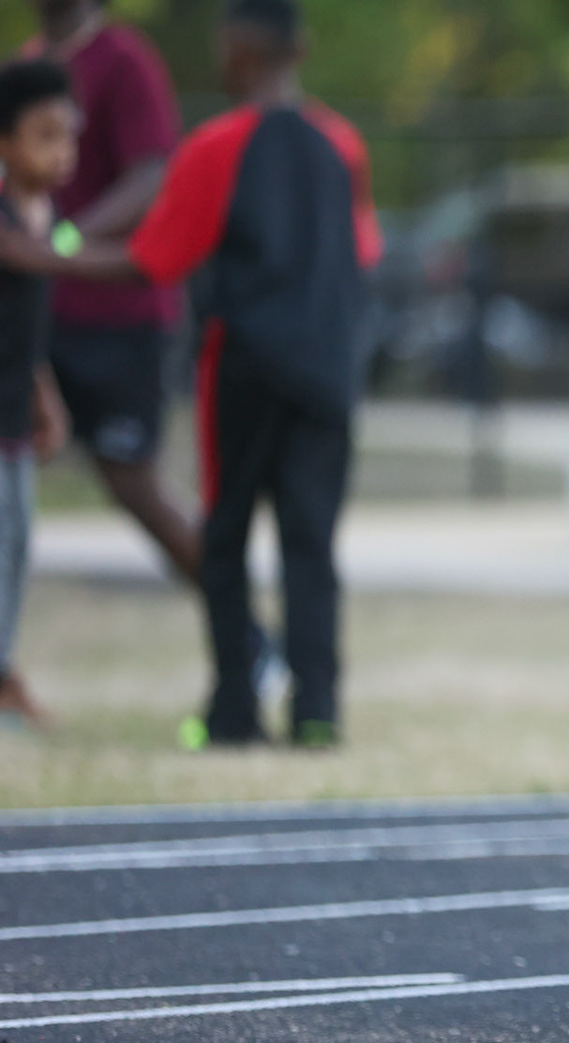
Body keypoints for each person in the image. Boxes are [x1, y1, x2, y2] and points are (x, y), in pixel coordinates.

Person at [0, 0, 380, 747]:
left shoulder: (217, 145)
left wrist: (46, 254)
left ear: (236, 49)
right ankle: (317, 712)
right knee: (312, 542)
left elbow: (155, 259)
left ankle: (234, 710)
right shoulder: (343, 142)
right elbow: (363, 252)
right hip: (330, 371)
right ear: (299, 50)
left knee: (230, 534)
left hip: (245, 367)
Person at [16, 0, 200, 586]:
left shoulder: (124, 60)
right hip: (35, 318)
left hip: (118, 320)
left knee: (133, 483)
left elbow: (152, 175)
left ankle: (244, 633)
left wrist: (63, 241)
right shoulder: (27, 66)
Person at [0, 61, 76, 728]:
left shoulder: (45, 215)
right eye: (44, 136)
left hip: (13, 418)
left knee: (18, 545)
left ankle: (4, 673)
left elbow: (26, 331)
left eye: (69, 137)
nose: (62, 153)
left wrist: (44, 393)